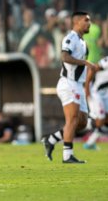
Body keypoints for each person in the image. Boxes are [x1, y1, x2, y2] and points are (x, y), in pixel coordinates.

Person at [42, 11, 96, 163]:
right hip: (68, 83)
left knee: (82, 122)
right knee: (72, 119)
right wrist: (85, 63)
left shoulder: (83, 42)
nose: (89, 23)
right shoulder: (70, 38)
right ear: (77, 22)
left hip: (78, 85)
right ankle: (67, 156)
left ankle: (52, 140)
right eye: (86, 20)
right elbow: (65, 57)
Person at [83, 56, 108, 150]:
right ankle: (89, 122)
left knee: (105, 120)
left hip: (105, 94)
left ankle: (90, 143)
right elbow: (93, 68)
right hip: (95, 92)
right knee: (101, 118)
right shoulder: (106, 61)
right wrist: (86, 88)